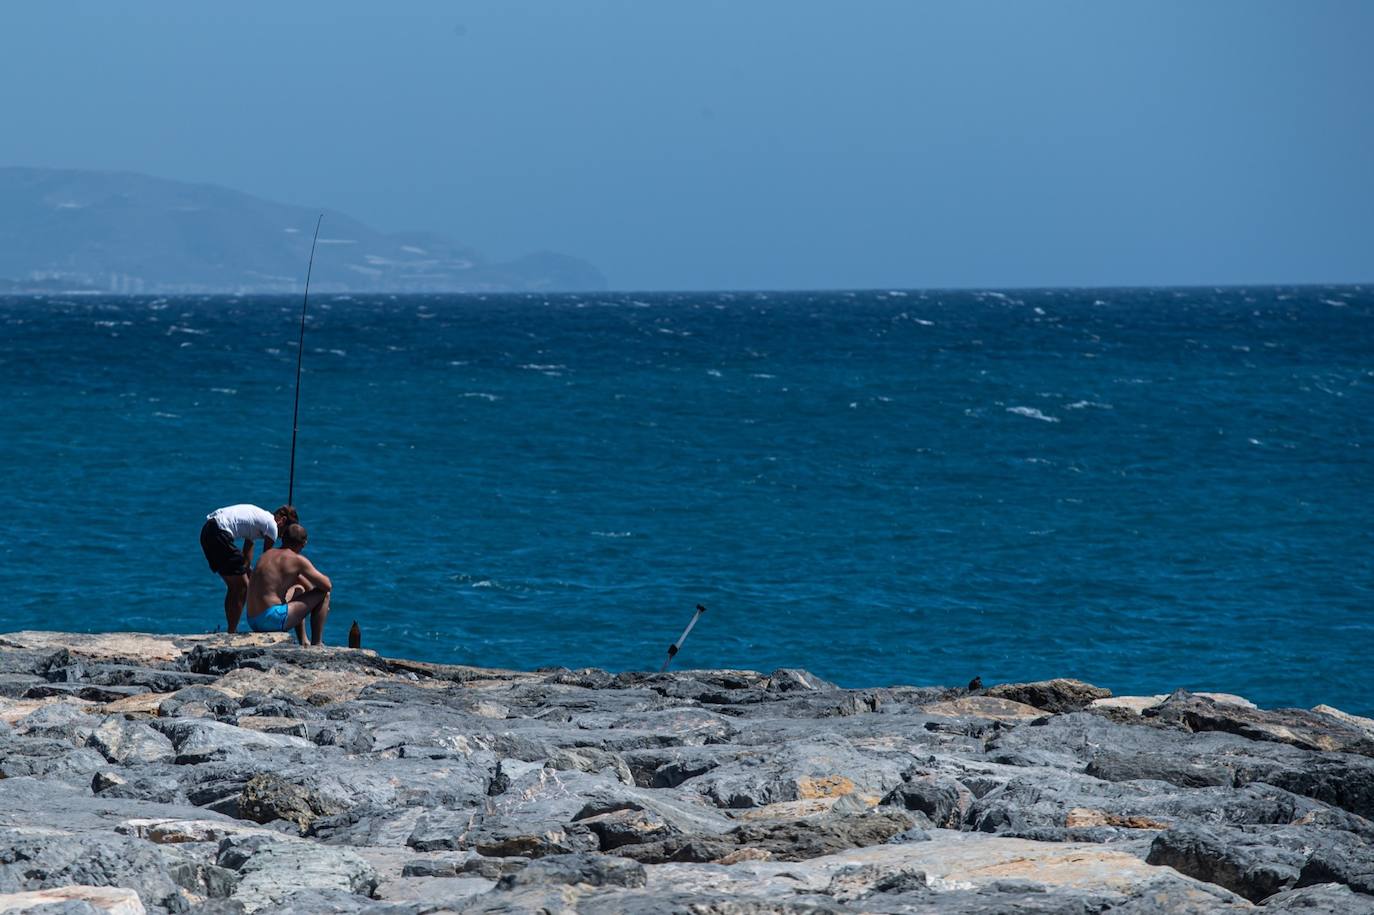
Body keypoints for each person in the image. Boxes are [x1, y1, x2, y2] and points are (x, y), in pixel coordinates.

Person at [200, 504, 297, 633]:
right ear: (282, 520)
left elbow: (247, 554)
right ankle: (232, 632)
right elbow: (266, 561)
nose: (281, 537)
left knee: (235, 586)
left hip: (208, 531)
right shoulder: (272, 526)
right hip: (219, 533)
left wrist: (248, 570)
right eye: (284, 532)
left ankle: (231, 630)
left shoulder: (259, 519)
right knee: (242, 587)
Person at [245, 523, 332, 646]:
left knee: (298, 589)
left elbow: (301, 583)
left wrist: (309, 595)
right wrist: (318, 604)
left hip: (252, 619)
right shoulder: (296, 560)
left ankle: (303, 641)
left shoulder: (266, 555)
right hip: (271, 620)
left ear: (282, 538)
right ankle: (317, 643)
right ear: (304, 544)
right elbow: (326, 585)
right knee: (324, 594)